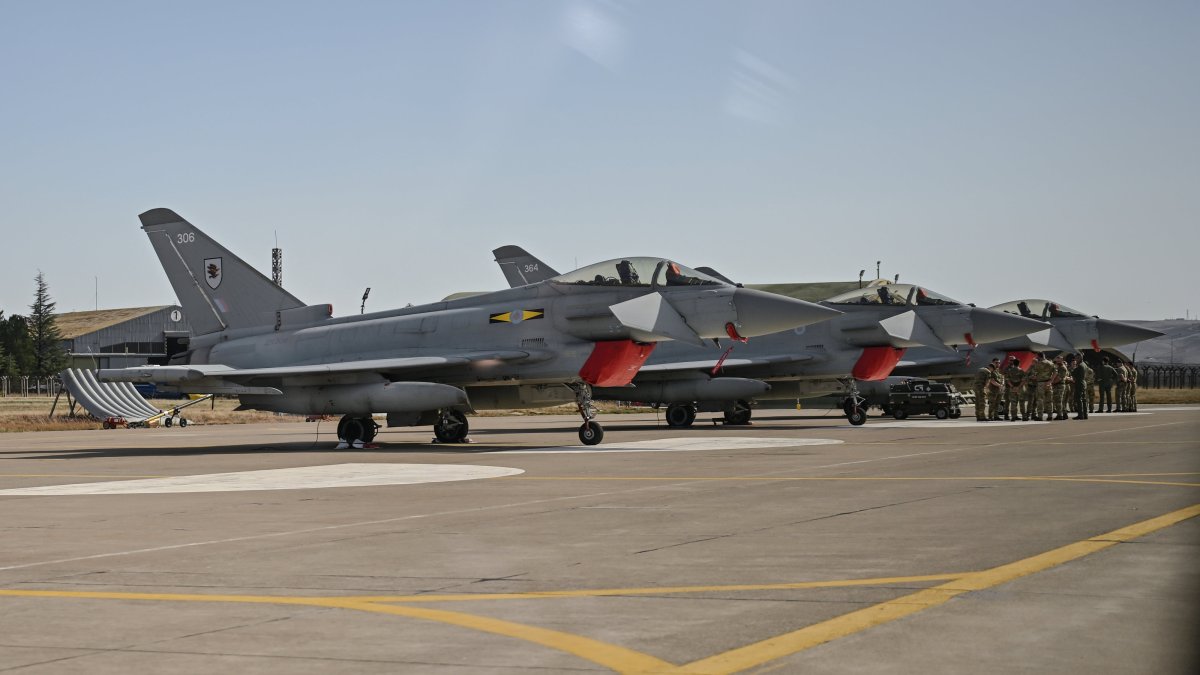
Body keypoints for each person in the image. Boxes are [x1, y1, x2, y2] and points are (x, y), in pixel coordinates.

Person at [1027, 353, 1056, 421]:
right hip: (1048, 383)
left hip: (1040, 383)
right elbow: (1055, 372)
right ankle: (1050, 416)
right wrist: (1051, 381)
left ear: (1039, 357)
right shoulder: (1051, 363)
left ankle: (1040, 416)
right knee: (1049, 400)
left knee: (1040, 400)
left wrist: (1032, 377)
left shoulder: (1038, 364)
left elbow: (1034, 375)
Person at [1002, 355, 1027, 421]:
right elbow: (1024, 380)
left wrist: (1012, 386)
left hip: (1011, 388)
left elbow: (1007, 379)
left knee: (1013, 403)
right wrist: (1018, 387)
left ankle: (1013, 417)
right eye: (1011, 360)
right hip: (1018, 388)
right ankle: (1023, 416)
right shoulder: (1020, 370)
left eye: (1013, 360)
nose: (1011, 361)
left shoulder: (1010, 370)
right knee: (1021, 402)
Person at [1050, 355, 1070, 420]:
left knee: (1058, 401)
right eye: (1057, 359)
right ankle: (1064, 414)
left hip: (1060, 385)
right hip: (1057, 385)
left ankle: (1060, 415)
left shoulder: (1062, 368)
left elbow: (1059, 378)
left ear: (1062, 360)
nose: (1058, 360)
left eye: (1059, 359)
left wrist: (1051, 382)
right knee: (1058, 400)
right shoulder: (1057, 366)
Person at [1069, 355, 1089, 420]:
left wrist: (1072, 368)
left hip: (1079, 383)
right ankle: (1085, 415)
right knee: (1084, 399)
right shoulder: (1084, 364)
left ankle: (1080, 415)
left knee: (1079, 399)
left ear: (1079, 358)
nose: (1075, 360)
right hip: (1083, 383)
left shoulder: (1080, 366)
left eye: (1076, 359)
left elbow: (1073, 373)